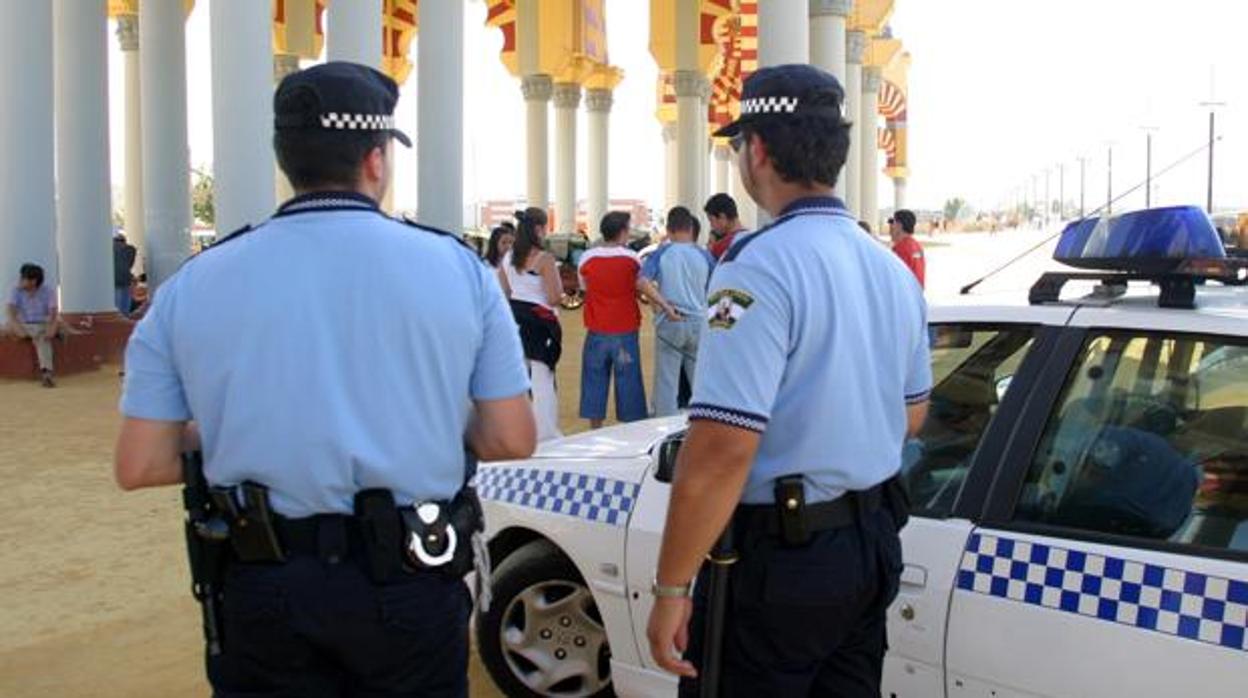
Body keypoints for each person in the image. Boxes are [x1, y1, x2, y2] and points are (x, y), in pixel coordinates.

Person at [113, 61, 536, 698]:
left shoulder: (194, 284)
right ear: (375, 159)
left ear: (286, 158)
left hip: (262, 583)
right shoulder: (458, 269)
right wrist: (419, 420)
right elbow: (510, 438)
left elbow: (140, 463)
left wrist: (239, 429)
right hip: (408, 581)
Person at [646, 64, 931, 696]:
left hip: (784, 562)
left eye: (738, 144)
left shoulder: (760, 267)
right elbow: (912, 414)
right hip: (870, 543)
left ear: (760, 150)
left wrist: (670, 588)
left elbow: (722, 449)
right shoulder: (889, 271)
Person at [637, 206, 714, 418]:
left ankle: (663, 429)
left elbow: (642, 282)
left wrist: (664, 305)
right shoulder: (705, 255)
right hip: (699, 322)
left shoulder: (662, 253)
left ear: (669, 230)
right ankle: (703, 423)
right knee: (699, 381)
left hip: (670, 321)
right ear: (691, 229)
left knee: (666, 382)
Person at [576, 211, 647, 429]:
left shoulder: (587, 257)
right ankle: (629, 428)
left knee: (594, 378)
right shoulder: (632, 258)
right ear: (623, 232)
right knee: (629, 381)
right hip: (625, 328)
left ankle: (595, 428)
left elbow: (583, 287)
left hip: (597, 327)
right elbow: (639, 287)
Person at [499, 207, 565, 442]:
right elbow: (554, 297)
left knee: (519, 379)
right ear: (538, 229)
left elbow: (505, 292)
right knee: (543, 379)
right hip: (540, 323)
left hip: (515, 319)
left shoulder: (507, 258)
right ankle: (546, 433)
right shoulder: (544, 259)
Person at [6, 263, 59, 387]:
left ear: (33, 281)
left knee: (43, 339)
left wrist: (51, 329)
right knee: (6, 329)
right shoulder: (16, 291)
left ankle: (46, 374)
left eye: (23, 278)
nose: (20, 281)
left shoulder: (48, 291)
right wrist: (17, 328)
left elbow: (53, 314)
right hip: (23, 325)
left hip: (41, 324)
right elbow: (10, 312)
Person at [889, 209, 926, 289]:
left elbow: (895, 277)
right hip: (917, 295)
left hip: (905, 295)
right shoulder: (917, 246)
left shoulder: (900, 248)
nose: (892, 227)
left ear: (899, 225)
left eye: (893, 223)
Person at [705, 193, 748, 261]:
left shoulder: (721, 246)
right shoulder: (752, 238)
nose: (711, 226)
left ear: (722, 217)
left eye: (711, 220)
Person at [113, 232, 137, 314]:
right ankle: (125, 317)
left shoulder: (108, 249)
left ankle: (119, 320)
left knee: (117, 304)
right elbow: (130, 264)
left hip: (114, 280)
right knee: (125, 304)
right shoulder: (130, 249)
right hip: (126, 279)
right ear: (124, 241)